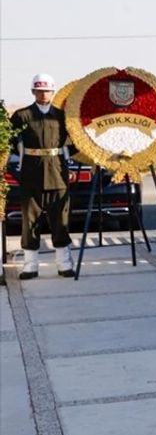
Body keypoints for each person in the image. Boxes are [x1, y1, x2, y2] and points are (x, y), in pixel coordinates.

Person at [10, 73, 76, 280]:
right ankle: (30, 266)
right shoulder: (21, 116)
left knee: (60, 220)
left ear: (53, 92)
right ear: (33, 91)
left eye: (47, 90)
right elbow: (11, 142)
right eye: (39, 90)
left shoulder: (62, 116)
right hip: (31, 174)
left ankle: (64, 264)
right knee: (30, 222)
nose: (43, 94)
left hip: (57, 173)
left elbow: (74, 142)